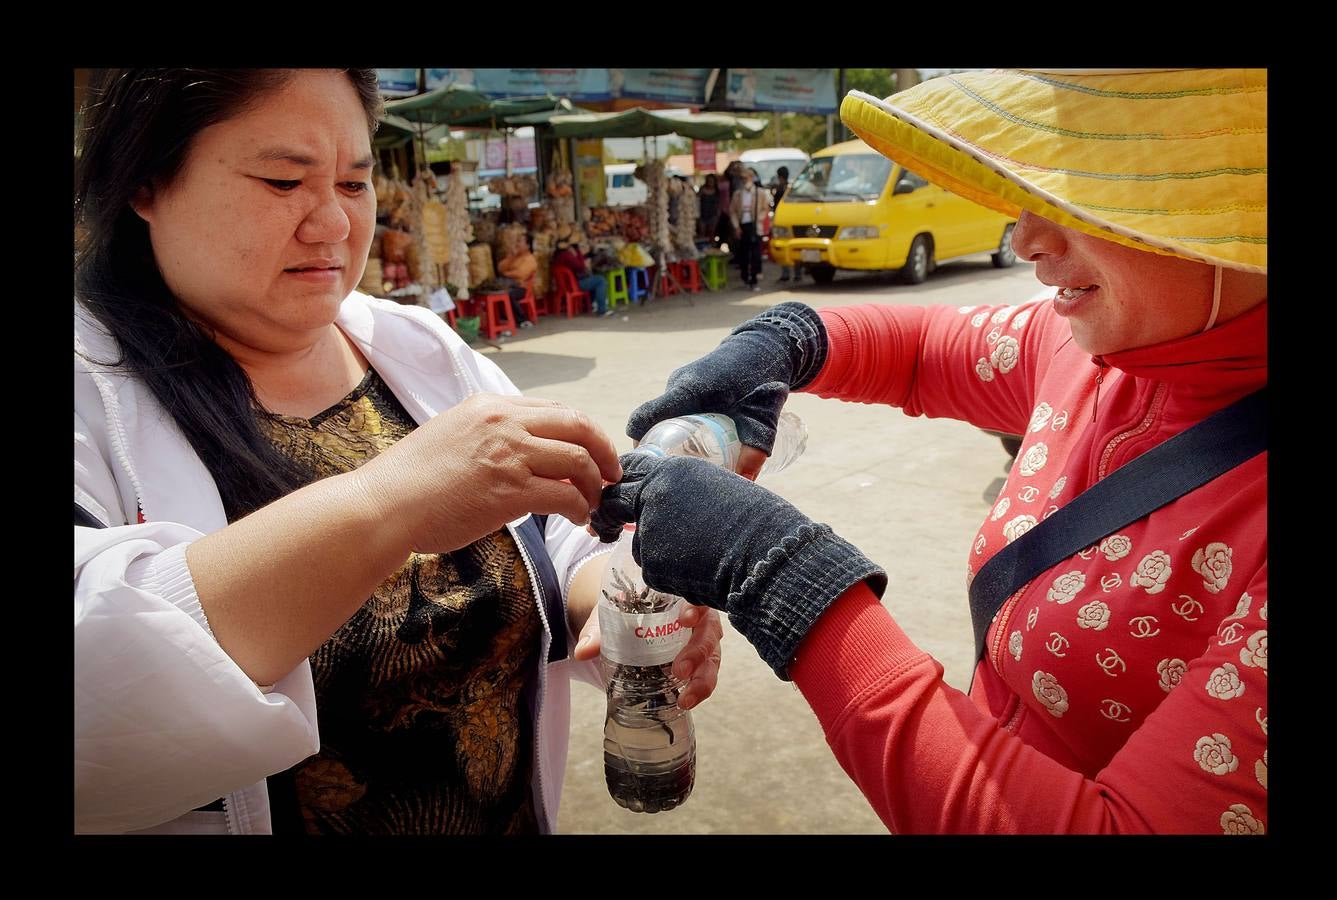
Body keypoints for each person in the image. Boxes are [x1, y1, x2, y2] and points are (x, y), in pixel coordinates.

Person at [592, 68, 1267, 834]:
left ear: (1227, 219)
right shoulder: (1091, 348)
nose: (1027, 241)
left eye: (1079, 201)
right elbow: (921, 349)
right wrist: (785, 340)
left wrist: (785, 582)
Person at [73, 68, 722, 835]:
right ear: (146, 182)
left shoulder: (417, 347)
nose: (334, 224)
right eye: (284, 180)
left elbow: (558, 532)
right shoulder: (92, 386)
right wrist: (391, 501)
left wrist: (624, 594)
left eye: (353, 182)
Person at [729, 167, 769, 292]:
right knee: (744, 254)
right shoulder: (738, 194)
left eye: (746, 178)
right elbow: (733, 211)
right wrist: (736, 226)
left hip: (755, 225)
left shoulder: (759, 193)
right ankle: (746, 277)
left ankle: (754, 279)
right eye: (742, 179)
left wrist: (759, 219)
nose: (744, 181)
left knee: (756, 254)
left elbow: (764, 209)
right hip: (743, 225)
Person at [550, 238, 613, 317]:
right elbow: (581, 267)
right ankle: (602, 310)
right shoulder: (566, 255)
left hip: (564, 285)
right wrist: (578, 253)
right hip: (574, 285)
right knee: (601, 280)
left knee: (593, 278)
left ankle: (594, 305)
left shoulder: (557, 256)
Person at [495, 239, 537, 329]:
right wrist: (510, 257)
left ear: (527, 246)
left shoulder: (529, 259)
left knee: (510, 295)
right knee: (498, 293)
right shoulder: (515, 257)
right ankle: (505, 317)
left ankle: (522, 319)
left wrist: (507, 273)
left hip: (522, 287)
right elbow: (501, 268)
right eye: (517, 242)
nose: (517, 244)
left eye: (520, 242)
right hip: (511, 285)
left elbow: (521, 274)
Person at [770, 166, 796, 283]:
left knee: (784, 246)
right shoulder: (791, 189)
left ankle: (786, 274)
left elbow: (775, 206)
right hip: (792, 221)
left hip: (782, 223)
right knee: (794, 247)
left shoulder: (780, 189)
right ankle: (797, 273)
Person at [697, 173, 721, 243]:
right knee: (702, 233)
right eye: (709, 181)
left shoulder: (716, 191)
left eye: (712, 181)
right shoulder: (702, 190)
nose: (710, 183)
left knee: (711, 233)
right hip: (702, 215)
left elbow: (718, 204)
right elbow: (697, 201)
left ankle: (711, 248)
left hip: (713, 215)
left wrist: (717, 215)